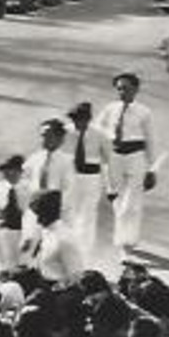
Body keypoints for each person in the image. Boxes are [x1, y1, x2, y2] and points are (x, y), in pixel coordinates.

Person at [96, 72, 158, 255]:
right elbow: (97, 130)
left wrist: (152, 169)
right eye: (120, 88)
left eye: (127, 88)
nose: (123, 92)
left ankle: (127, 243)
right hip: (115, 157)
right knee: (117, 199)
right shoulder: (110, 109)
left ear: (136, 89)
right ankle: (125, 238)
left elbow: (151, 140)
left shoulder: (144, 112)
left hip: (135, 157)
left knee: (132, 203)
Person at [66, 101, 105, 260]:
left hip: (91, 178)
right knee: (69, 214)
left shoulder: (99, 134)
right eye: (75, 118)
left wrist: (112, 185)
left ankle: (85, 253)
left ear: (89, 119)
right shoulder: (65, 132)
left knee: (88, 215)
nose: (78, 122)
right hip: (70, 177)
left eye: (81, 119)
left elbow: (110, 159)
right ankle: (69, 249)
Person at [24, 190, 84, 283]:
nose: (36, 219)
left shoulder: (64, 238)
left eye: (39, 213)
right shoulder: (43, 232)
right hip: (40, 282)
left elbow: (76, 276)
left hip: (58, 289)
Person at [0, 154, 29, 273]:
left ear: (19, 171)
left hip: (23, 231)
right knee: (4, 265)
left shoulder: (29, 188)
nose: (6, 173)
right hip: (3, 232)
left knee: (23, 265)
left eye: (10, 169)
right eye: (5, 170)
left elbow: (36, 211)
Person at [23, 118, 77, 217]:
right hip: (33, 208)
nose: (45, 140)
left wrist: (58, 207)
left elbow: (69, 188)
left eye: (49, 136)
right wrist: (32, 195)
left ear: (60, 139)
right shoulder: (34, 159)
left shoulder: (67, 161)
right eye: (42, 136)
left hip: (55, 211)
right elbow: (24, 179)